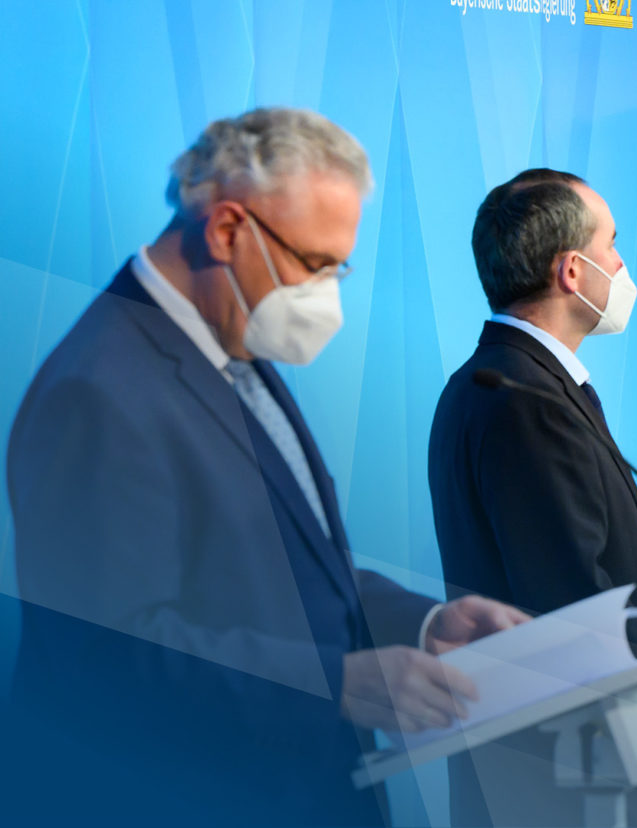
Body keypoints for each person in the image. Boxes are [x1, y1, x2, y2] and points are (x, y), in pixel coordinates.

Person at [4, 108, 528, 827]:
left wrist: (427, 623)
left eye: (339, 268)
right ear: (226, 230)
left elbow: (298, 568)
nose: (328, 299)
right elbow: (105, 653)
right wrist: (334, 684)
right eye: (314, 265)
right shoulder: (97, 388)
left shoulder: (230, 344)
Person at [429, 168, 637, 827]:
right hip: (563, 771)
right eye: (612, 245)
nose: (622, 266)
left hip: (559, 761)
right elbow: (569, 594)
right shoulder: (521, 399)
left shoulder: (518, 382)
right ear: (572, 272)